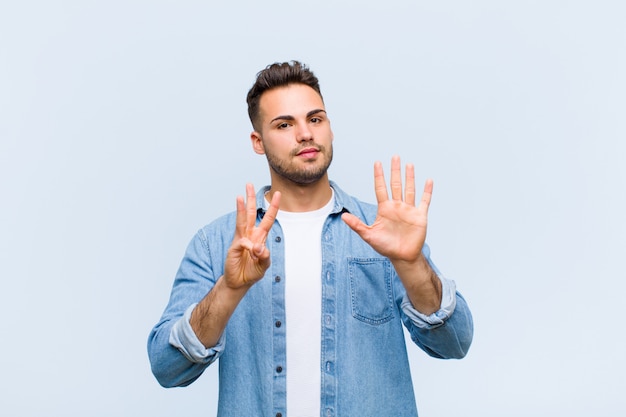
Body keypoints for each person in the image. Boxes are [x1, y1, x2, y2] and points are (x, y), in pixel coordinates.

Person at [148, 61, 473, 417]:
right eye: (284, 124)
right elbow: (167, 368)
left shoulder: (382, 232)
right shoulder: (217, 242)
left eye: (315, 119)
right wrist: (230, 289)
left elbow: (454, 343)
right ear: (258, 142)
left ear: (330, 128)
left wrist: (411, 264)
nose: (305, 134)